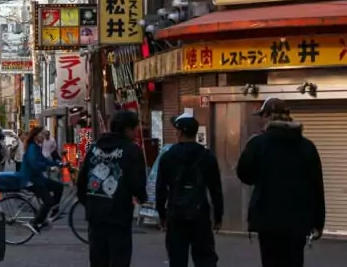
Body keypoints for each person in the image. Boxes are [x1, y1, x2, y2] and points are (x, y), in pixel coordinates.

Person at [237, 98, 325, 267]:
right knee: (294, 261)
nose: (261, 120)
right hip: (298, 221)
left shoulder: (258, 144)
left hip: (267, 220)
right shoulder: (307, 147)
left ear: (269, 116)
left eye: (262, 116)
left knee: (270, 262)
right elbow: (316, 186)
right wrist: (318, 222)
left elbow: (244, 175)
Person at [77, 110, 147, 267]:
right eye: (136, 128)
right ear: (128, 129)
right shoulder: (131, 150)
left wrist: (89, 203)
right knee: (119, 259)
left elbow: (81, 180)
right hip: (119, 215)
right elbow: (137, 182)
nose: (137, 132)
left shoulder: (94, 148)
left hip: (95, 215)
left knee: (98, 259)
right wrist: (142, 198)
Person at [156, 113, 223, 267]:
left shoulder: (168, 157)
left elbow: (161, 188)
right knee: (205, 258)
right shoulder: (207, 156)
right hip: (200, 213)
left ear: (179, 132)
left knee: (177, 258)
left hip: (175, 213)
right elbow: (215, 189)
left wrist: (162, 214)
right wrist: (218, 215)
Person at [20, 126, 64, 233]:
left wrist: (58, 163)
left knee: (59, 187)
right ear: (35, 135)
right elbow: (35, 164)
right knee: (48, 201)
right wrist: (48, 167)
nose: (43, 136)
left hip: (39, 178)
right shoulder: (32, 147)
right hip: (32, 180)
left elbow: (44, 159)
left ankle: (53, 211)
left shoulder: (37, 146)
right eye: (42, 134)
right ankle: (35, 222)